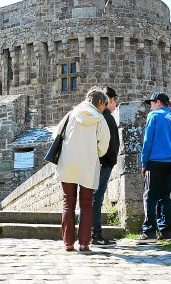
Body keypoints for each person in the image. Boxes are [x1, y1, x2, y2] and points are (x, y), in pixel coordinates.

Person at [55, 86, 110, 251]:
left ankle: (68, 243)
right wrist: (95, 153)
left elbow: (56, 134)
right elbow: (104, 144)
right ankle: (85, 243)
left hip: (68, 164)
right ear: (99, 102)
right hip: (87, 165)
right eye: (104, 105)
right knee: (86, 204)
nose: (104, 108)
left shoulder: (71, 114)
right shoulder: (99, 119)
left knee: (68, 203)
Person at [135, 92, 171, 244]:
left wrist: (144, 162)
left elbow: (148, 141)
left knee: (149, 196)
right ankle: (166, 231)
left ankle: (149, 231)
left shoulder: (154, 116)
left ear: (158, 102)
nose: (150, 106)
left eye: (152, 103)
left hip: (156, 161)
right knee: (165, 196)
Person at [91, 87, 120, 247]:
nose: (116, 104)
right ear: (109, 100)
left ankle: (88, 234)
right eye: (116, 100)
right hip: (103, 164)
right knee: (96, 199)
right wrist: (110, 160)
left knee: (92, 199)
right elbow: (107, 143)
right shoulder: (105, 117)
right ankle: (95, 235)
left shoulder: (100, 116)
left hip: (100, 163)